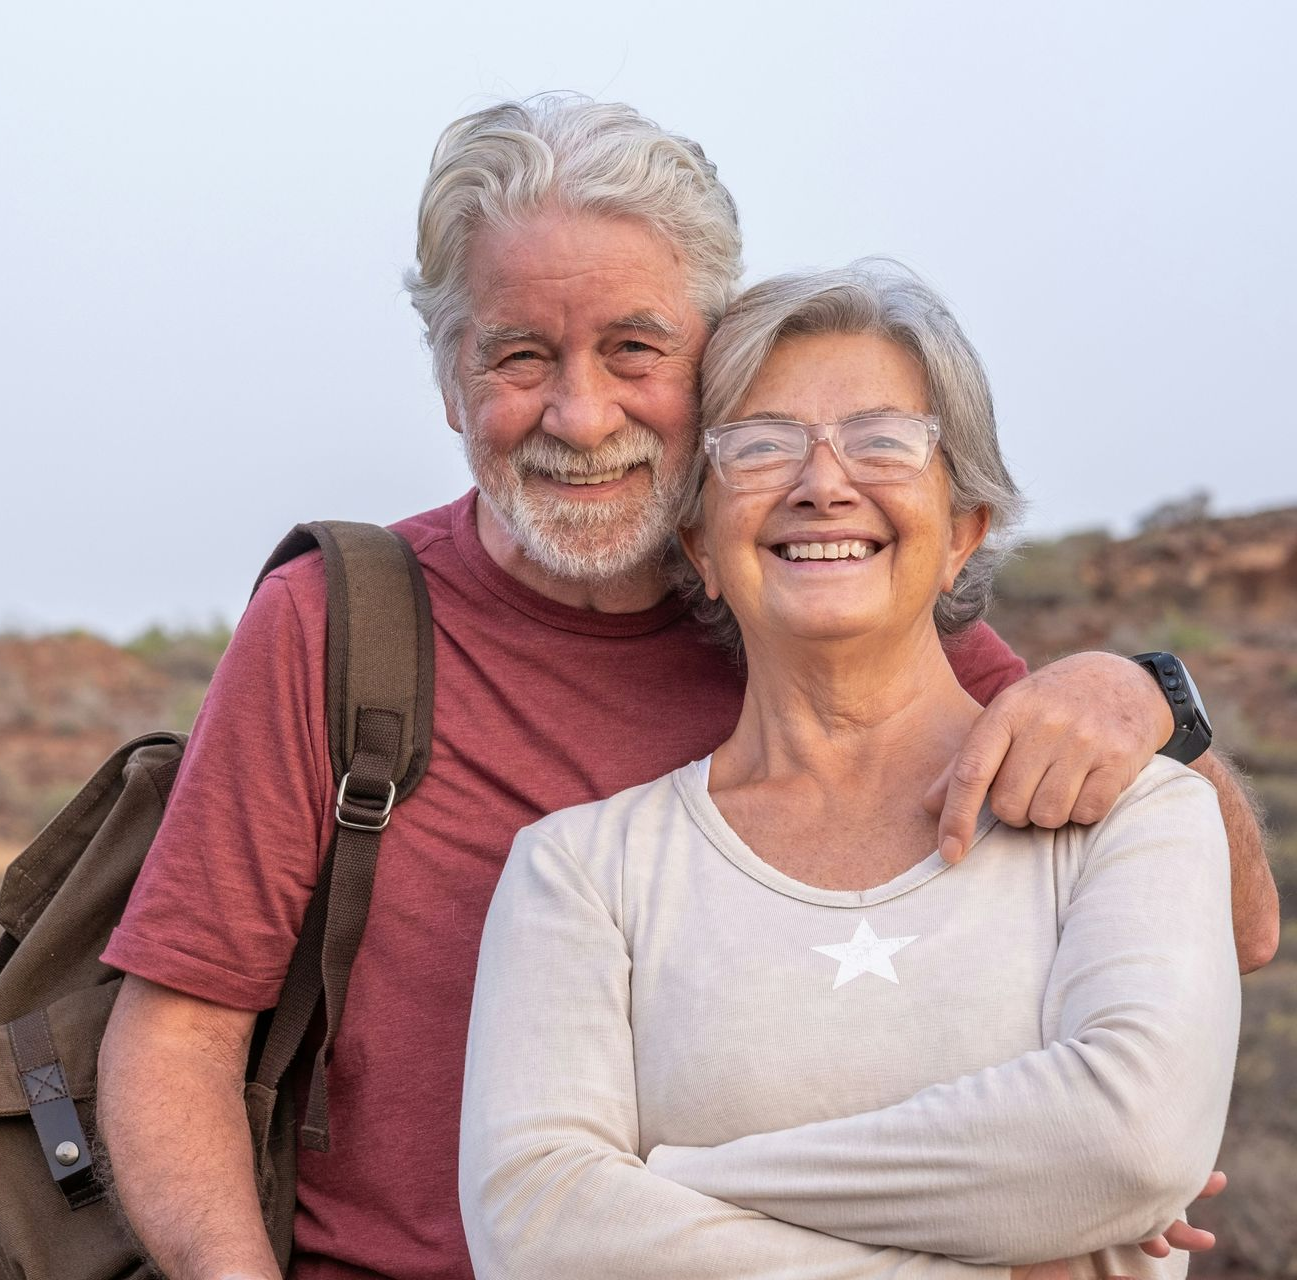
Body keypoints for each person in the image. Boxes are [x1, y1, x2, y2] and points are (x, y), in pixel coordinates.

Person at [96, 97, 1274, 1280]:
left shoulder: (826, 601)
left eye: (633, 349)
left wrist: (1149, 700)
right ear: (451, 384)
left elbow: (1233, 926)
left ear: (712, 359)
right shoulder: (336, 627)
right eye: (518, 355)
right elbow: (179, 1030)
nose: (579, 415)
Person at [459, 261, 1242, 1280]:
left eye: (882, 440)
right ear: (698, 542)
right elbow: (534, 1228)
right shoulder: (581, 871)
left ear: (962, 530)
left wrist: (668, 1184)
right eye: (760, 446)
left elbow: (1129, 1141)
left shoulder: (1134, 812)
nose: (823, 484)